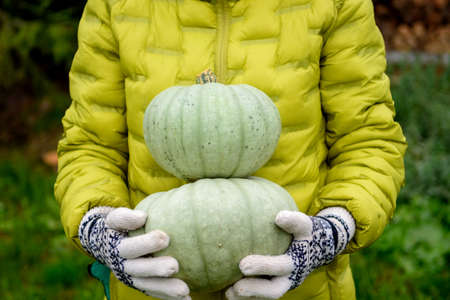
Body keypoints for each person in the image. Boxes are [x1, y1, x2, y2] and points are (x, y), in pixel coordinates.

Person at [54, 0, 407, 299]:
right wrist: (98, 227)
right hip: (151, 284)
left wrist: (332, 232)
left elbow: (367, 139)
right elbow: (91, 144)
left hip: (301, 289)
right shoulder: (114, 5)